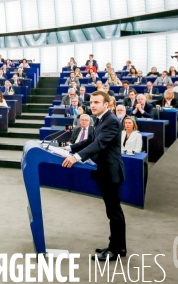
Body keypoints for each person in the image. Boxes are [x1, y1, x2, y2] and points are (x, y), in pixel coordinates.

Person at [61, 91, 126, 261]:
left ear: (107, 104)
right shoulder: (99, 120)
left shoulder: (111, 121)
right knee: (112, 211)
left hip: (111, 172)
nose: (93, 105)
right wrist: (69, 149)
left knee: (114, 212)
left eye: (97, 102)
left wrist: (75, 157)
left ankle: (116, 249)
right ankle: (118, 246)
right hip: (103, 171)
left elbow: (99, 144)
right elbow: (89, 141)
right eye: (91, 102)